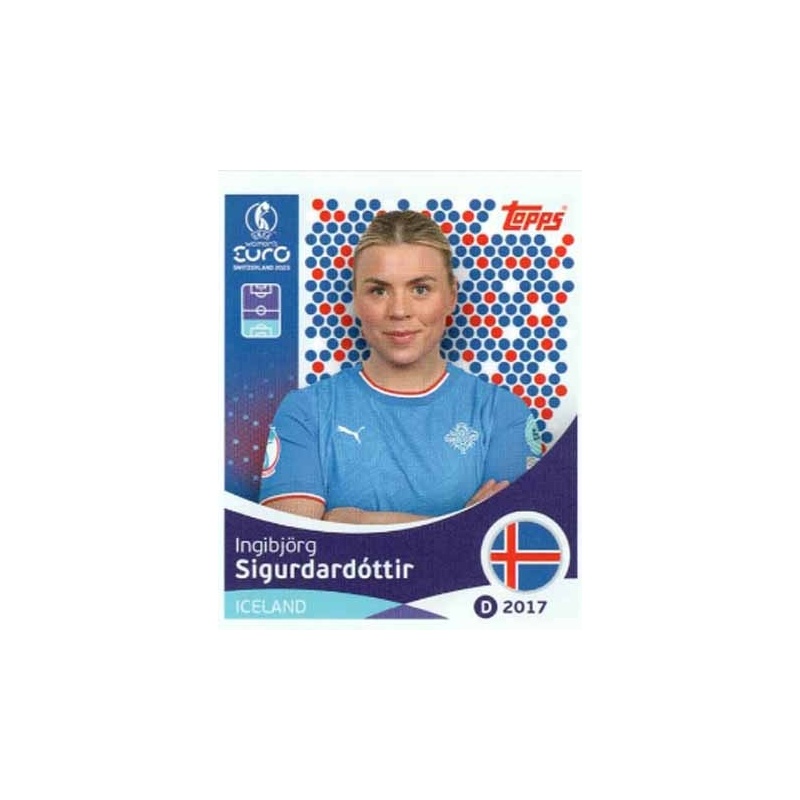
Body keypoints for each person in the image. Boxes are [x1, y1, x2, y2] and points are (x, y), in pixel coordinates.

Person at [258, 209, 541, 524]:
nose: (399, 310)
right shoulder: (305, 412)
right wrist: (462, 525)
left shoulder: (503, 414)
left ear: (451, 296)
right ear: (355, 299)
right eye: (378, 291)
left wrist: (352, 521)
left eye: (420, 289)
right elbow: (292, 544)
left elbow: (510, 539)